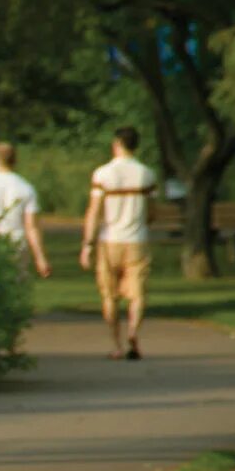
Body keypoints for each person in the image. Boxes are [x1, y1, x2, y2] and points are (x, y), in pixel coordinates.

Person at [80, 126, 157, 360]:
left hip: (109, 239)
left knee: (109, 295)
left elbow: (94, 211)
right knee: (137, 293)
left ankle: (117, 344)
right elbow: (152, 212)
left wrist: (87, 244)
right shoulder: (146, 174)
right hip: (137, 239)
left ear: (116, 144)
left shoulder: (103, 174)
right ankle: (133, 332)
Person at [0, 143, 51, 278]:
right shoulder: (25, 187)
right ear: (15, 161)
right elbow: (32, 227)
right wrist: (40, 258)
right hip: (16, 243)